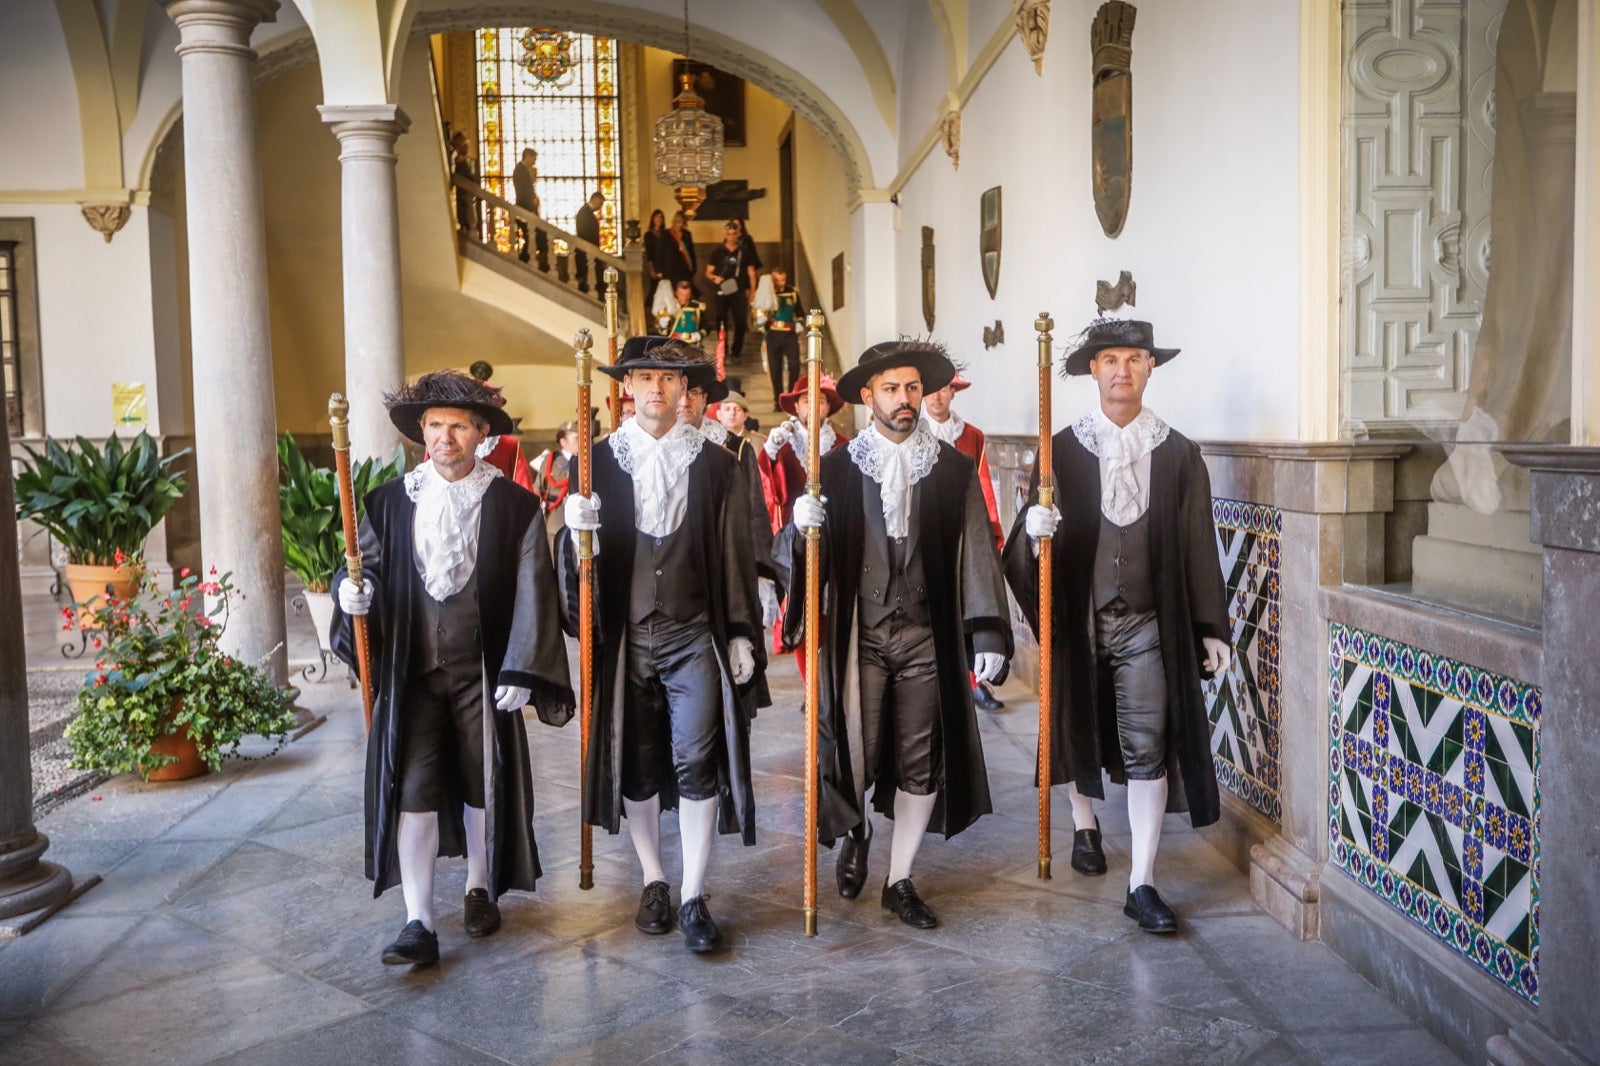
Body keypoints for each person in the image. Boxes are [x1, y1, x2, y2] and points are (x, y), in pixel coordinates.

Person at [330, 370, 575, 968]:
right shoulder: (389, 502)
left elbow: (533, 586)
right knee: (412, 790)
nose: (445, 436)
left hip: (484, 672)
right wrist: (349, 595)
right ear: (421, 432)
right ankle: (418, 920)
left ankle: (478, 886)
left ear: (481, 432)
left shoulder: (515, 504)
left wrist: (523, 664)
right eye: (435, 425)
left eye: (458, 425)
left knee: (481, 781)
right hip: (414, 674)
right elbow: (364, 567)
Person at [1002, 317, 1231, 935]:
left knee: (1147, 743)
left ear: (1150, 368)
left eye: (1133, 358)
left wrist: (1210, 626)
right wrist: (1034, 532)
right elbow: (1026, 550)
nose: (1122, 370)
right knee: (1077, 722)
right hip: (1080, 616)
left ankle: (1143, 881)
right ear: (1093, 371)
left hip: (1149, 623)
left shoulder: (1179, 454)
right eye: (1110, 360)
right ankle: (1084, 825)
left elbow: (1198, 546)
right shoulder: (1063, 451)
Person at [775, 339, 1012, 929]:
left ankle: (899, 877)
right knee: (856, 750)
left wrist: (985, 632)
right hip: (861, 634)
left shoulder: (953, 470)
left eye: (911, 388)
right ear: (866, 396)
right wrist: (800, 530)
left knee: (920, 759)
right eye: (890, 389)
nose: (904, 400)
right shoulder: (834, 468)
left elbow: (977, 552)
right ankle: (856, 826)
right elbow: (805, 561)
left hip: (926, 635)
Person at [558, 336, 766, 955]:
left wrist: (737, 631)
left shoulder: (717, 464)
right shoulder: (592, 463)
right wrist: (577, 541)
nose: (656, 389)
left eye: (669, 379)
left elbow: (732, 554)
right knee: (639, 764)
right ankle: (654, 878)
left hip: (691, 634)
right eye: (644, 377)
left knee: (698, 759)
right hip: (625, 639)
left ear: (684, 390)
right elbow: (574, 576)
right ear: (627, 387)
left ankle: (694, 893)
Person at [678, 376, 777, 704]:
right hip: (681, 582)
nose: (686, 401)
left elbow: (754, 512)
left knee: (733, 683)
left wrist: (762, 572)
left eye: (694, 392)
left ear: (706, 399)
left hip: (727, 576)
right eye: (680, 391)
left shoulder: (735, 448)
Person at [922, 372, 1006, 711]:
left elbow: (983, 484)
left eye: (945, 390)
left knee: (970, 606)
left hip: (964, 530)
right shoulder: (913, 432)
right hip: (928, 531)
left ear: (953, 393)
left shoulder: (971, 436)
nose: (938, 397)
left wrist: (991, 531)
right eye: (932, 390)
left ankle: (976, 681)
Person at [763, 374, 848, 529]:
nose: (814, 407)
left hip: (834, 530)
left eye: (820, 402)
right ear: (796, 407)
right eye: (807, 401)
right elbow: (766, 491)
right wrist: (769, 454)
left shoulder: (844, 445)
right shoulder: (780, 444)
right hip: (790, 532)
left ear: (828, 408)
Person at [705, 223, 752, 359]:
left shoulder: (744, 251)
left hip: (739, 290)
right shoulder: (718, 252)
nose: (731, 237)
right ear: (725, 234)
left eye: (734, 234)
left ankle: (736, 350)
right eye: (729, 234)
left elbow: (751, 273)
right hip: (722, 290)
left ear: (737, 234)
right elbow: (708, 272)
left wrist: (752, 292)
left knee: (741, 321)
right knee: (721, 319)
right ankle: (722, 348)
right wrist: (715, 278)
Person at [763, 266, 802, 400]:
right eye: (777, 280)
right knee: (775, 369)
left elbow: (800, 312)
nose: (781, 283)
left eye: (783, 280)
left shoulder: (792, 292)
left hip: (789, 333)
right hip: (773, 334)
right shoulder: (766, 293)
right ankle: (778, 399)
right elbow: (759, 315)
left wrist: (800, 323)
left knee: (794, 365)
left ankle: (791, 396)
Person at [511, 148, 545, 269]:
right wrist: (532, 203)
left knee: (533, 238)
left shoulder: (523, 170)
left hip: (527, 210)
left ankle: (524, 262)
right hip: (525, 210)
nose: (534, 163)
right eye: (534, 159)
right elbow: (523, 192)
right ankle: (522, 262)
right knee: (533, 238)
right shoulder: (520, 171)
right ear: (527, 156)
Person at [574, 190, 604, 295]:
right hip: (585, 253)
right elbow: (585, 233)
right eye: (600, 204)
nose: (600, 207)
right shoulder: (584, 212)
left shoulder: (586, 212)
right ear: (595, 199)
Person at [450, 130, 479, 236]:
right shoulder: (459, 163)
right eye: (465, 145)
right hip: (463, 199)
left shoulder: (464, 162)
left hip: (466, 198)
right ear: (459, 146)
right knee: (466, 223)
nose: (467, 148)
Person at [658, 210, 697, 288]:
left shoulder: (687, 234)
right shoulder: (666, 234)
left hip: (684, 269)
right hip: (670, 270)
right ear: (674, 222)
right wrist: (659, 269)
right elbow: (660, 252)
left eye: (682, 223)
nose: (680, 225)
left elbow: (691, 252)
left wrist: (694, 268)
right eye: (678, 222)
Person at [666, 279, 705, 345]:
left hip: (692, 345)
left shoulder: (697, 307)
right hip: (673, 344)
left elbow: (706, 328)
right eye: (681, 294)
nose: (684, 298)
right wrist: (663, 326)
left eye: (687, 295)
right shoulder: (670, 307)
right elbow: (662, 332)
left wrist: (698, 335)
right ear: (676, 293)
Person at [642, 209, 668, 301]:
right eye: (657, 217)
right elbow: (649, 253)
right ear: (653, 219)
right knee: (655, 290)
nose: (659, 219)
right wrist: (651, 269)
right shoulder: (648, 235)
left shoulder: (666, 234)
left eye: (661, 217)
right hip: (655, 265)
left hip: (665, 266)